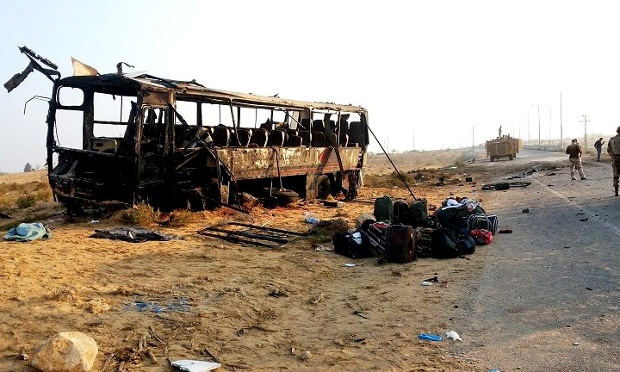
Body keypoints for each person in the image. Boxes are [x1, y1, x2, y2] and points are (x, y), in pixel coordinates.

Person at [606, 126, 620, 196]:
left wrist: (613, 156)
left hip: (615, 158)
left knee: (616, 175)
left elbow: (608, 150)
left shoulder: (612, 139)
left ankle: (616, 191)